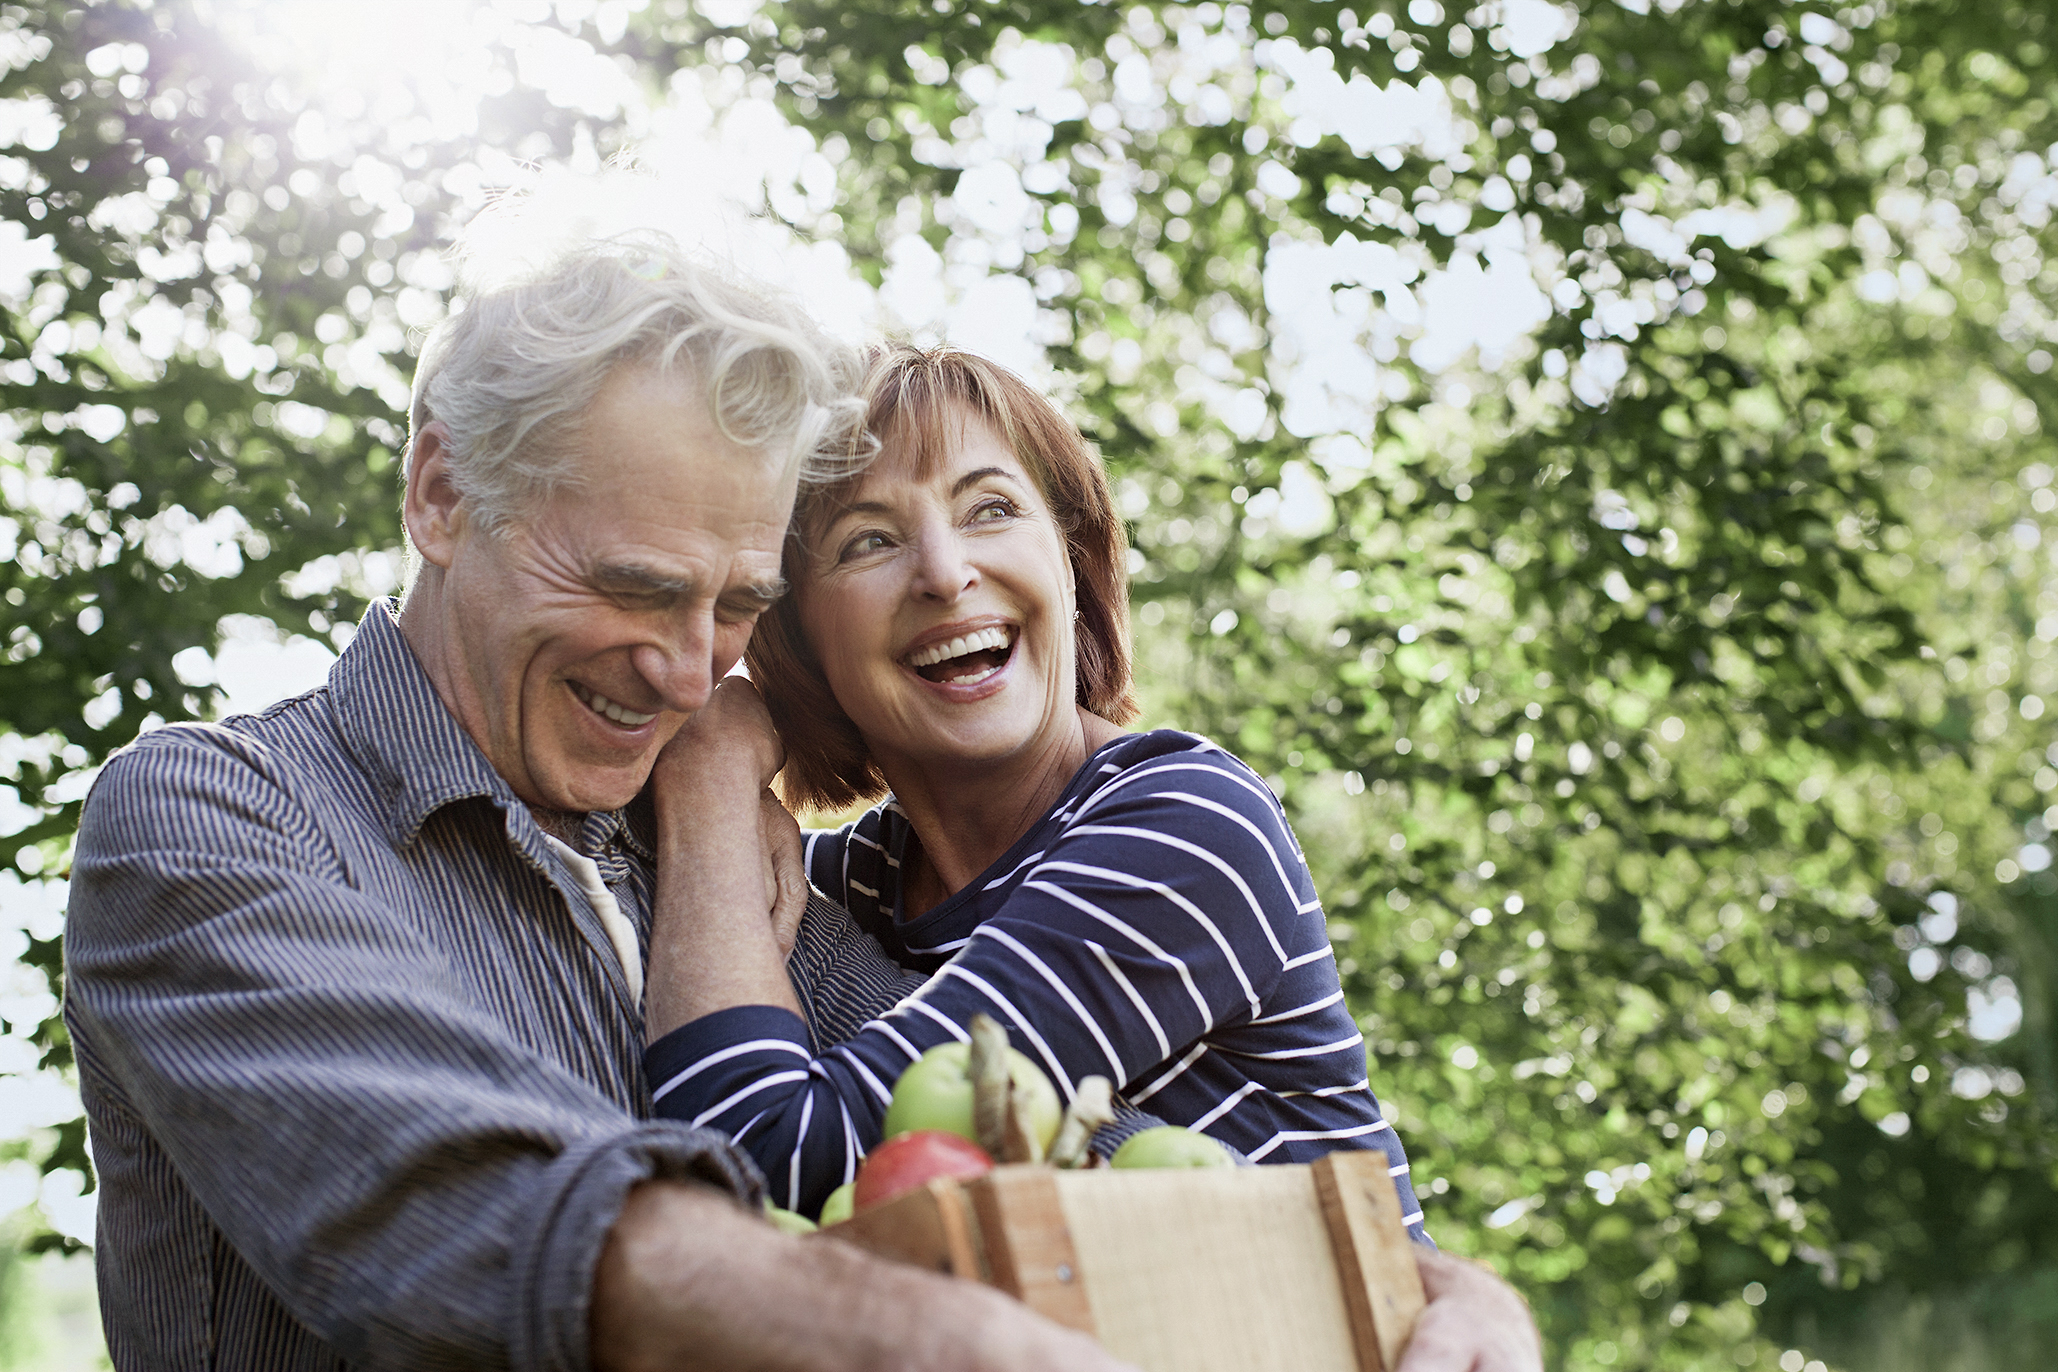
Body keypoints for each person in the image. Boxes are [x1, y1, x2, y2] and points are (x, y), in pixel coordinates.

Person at [62, 238, 1129, 1372]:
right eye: (636, 586)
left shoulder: (707, 866)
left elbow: (1015, 1115)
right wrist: (927, 1341)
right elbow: (472, 1201)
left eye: (735, 605)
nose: (685, 676)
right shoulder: (212, 820)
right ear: (443, 494)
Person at [639, 346, 1543, 1368]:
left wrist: (712, 772)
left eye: (989, 509)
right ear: (799, 636)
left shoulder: (1186, 828)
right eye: (869, 540)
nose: (944, 572)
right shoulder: (844, 887)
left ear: (1070, 559)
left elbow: (761, 1160)